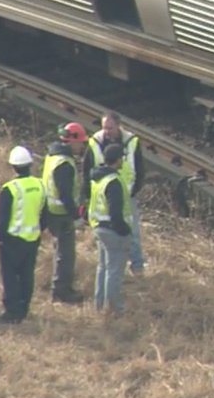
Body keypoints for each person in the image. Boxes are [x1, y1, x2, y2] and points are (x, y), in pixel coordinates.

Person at [85, 113, 146, 274]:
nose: (106, 131)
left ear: (118, 126)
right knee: (105, 233)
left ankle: (137, 266)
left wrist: (134, 189)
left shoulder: (131, 142)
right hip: (103, 196)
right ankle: (109, 268)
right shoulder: (95, 143)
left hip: (127, 194)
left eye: (110, 128)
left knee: (132, 232)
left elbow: (139, 168)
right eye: (104, 127)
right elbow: (87, 170)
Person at [0, 146, 43, 324]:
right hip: (32, 239)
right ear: (30, 164)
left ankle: (12, 311)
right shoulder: (39, 185)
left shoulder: (10, 189)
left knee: (10, 276)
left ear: (13, 166)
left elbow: (3, 218)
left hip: (12, 240)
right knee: (27, 274)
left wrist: (0, 237)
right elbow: (43, 212)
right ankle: (24, 307)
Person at [41, 122, 88, 303]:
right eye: (80, 142)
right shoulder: (64, 164)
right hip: (61, 215)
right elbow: (65, 194)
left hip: (51, 212)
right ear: (71, 141)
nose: (82, 146)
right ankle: (61, 291)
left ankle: (60, 287)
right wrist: (76, 216)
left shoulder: (53, 156)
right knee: (66, 254)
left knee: (61, 251)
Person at [89, 144, 132, 315]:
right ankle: (113, 310)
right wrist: (124, 231)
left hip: (99, 227)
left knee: (103, 269)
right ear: (118, 160)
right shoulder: (113, 182)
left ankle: (99, 306)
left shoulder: (98, 178)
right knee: (114, 272)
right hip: (114, 231)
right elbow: (116, 213)